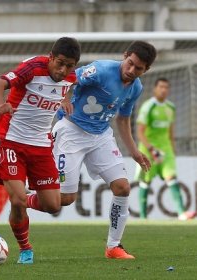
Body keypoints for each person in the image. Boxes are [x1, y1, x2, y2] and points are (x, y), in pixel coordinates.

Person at [51, 41, 157, 259]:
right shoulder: (100, 69)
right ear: (125, 55)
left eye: (138, 69)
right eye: (130, 63)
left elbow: (124, 119)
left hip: (101, 135)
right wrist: (62, 98)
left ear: (146, 70)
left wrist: (134, 151)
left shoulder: (136, 88)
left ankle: (113, 246)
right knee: (63, 199)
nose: (131, 71)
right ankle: (27, 196)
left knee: (123, 187)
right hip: (71, 130)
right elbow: (69, 77)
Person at [0, 37, 81, 264]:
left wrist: (64, 99)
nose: (63, 70)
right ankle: (25, 248)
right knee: (17, 201)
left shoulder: (70, 77)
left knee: (53, 205)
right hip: (10, 139)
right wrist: (0, 104)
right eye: (59, 63)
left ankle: (26, 198)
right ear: (50, 57)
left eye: (69, 65)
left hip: (41, 145)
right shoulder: (32, 68)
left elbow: (66, 86)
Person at [134, 77, 196, 220]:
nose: (164, 90)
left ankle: (181, 213)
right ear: (155, 89)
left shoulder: (171, 107)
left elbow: (170, 131)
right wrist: (151, 149)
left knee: (172, 177)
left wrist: (172, 149)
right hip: (148, 149)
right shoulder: (148, 106)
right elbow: (140, 132)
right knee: (145, 182)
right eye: (161, 87)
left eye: (166, 87)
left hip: (165, 149)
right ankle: (143, 218)